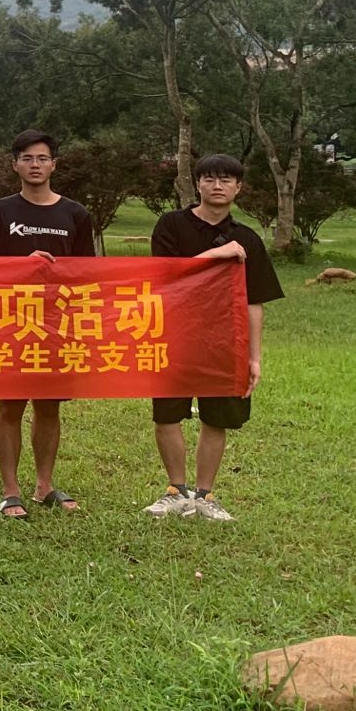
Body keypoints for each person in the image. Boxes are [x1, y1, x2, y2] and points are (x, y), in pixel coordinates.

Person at [144, 153, 283, 522]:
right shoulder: (172, 225)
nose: (217, 186)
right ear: (198, 184)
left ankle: (205, 495)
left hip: (225, 342)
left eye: (226, 180)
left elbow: (254, 302)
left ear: (238, 188)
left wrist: (254, 356)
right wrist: (219, 253)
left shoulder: (247, 239)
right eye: (209, 178)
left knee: (216, 417)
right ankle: (176, 491)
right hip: (172, 336)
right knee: (167, 414)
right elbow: (167, 278)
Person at [0, 128, 96, 518]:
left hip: (57, 325)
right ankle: (10, 490)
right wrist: (22, 267)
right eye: (27, 158)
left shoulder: (75, 214)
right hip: (10, 322)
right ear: (15, 165)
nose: (35, 165)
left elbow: (87, 274)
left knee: (49, 406)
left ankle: (44, 485)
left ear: (54, 165)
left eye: (42, 158)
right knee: (10, 405)